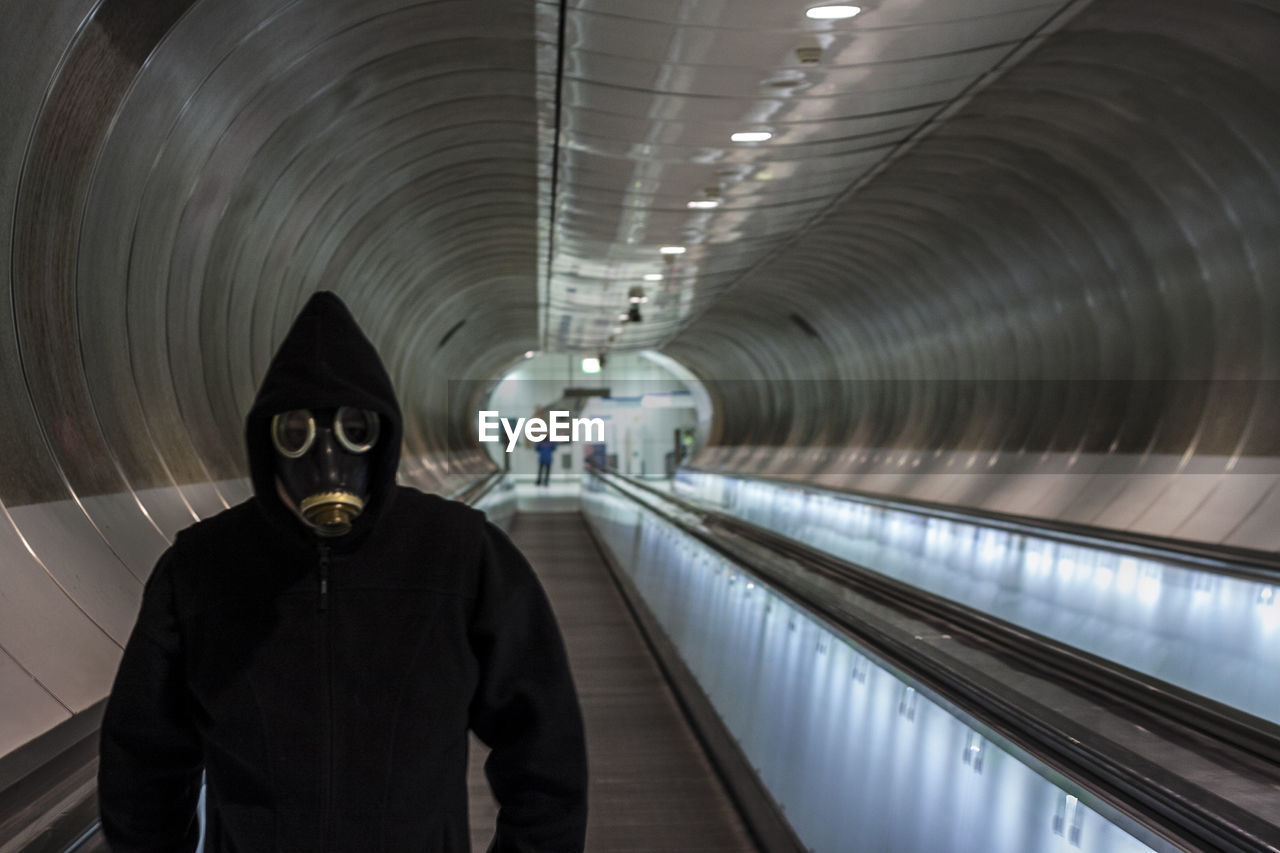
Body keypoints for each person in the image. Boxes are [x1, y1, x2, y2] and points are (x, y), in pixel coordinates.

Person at [98, 292, 588, 852]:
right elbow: (143, 763)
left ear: (382, 436)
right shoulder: (203, 567)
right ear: (269, 441)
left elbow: (546, 753)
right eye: (298, 434)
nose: (327, 461)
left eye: (354, 429)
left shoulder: (458, 554)